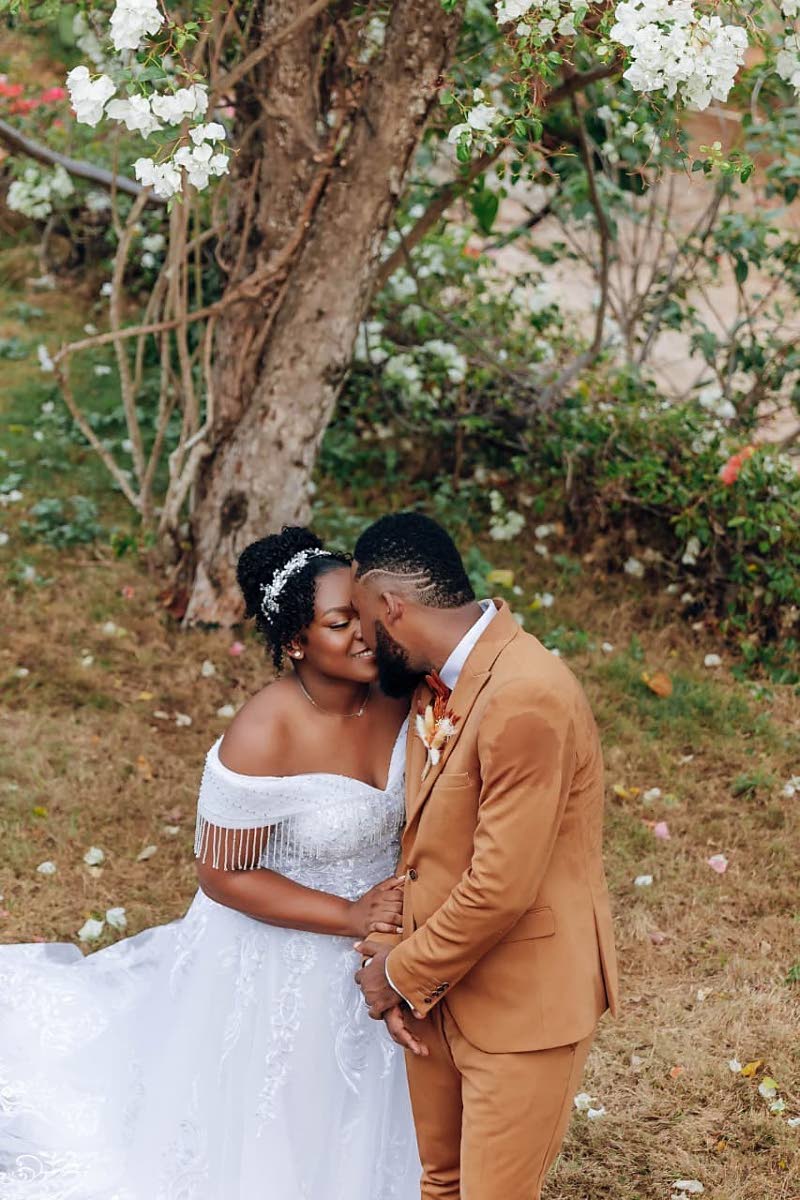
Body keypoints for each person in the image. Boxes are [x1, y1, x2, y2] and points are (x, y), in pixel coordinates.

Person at [0, 526, 421, 1200]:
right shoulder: (263, 732)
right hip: (279, 952)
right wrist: (348, 913)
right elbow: (222, 875)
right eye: (341, 624)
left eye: (367, 616)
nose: (366, 635)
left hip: (388, 947)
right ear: (295, 643)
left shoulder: (402, 696)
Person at [351, 511, 620, 1200]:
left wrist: (398, 974)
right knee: (441, 1183)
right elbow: (416, 845)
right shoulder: (431, 685)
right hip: (438, 993)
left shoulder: (526, 695)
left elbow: (502, 885)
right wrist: (391, 953)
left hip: (521, 1002)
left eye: (362, 619)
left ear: (392, 608)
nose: (361, 639)